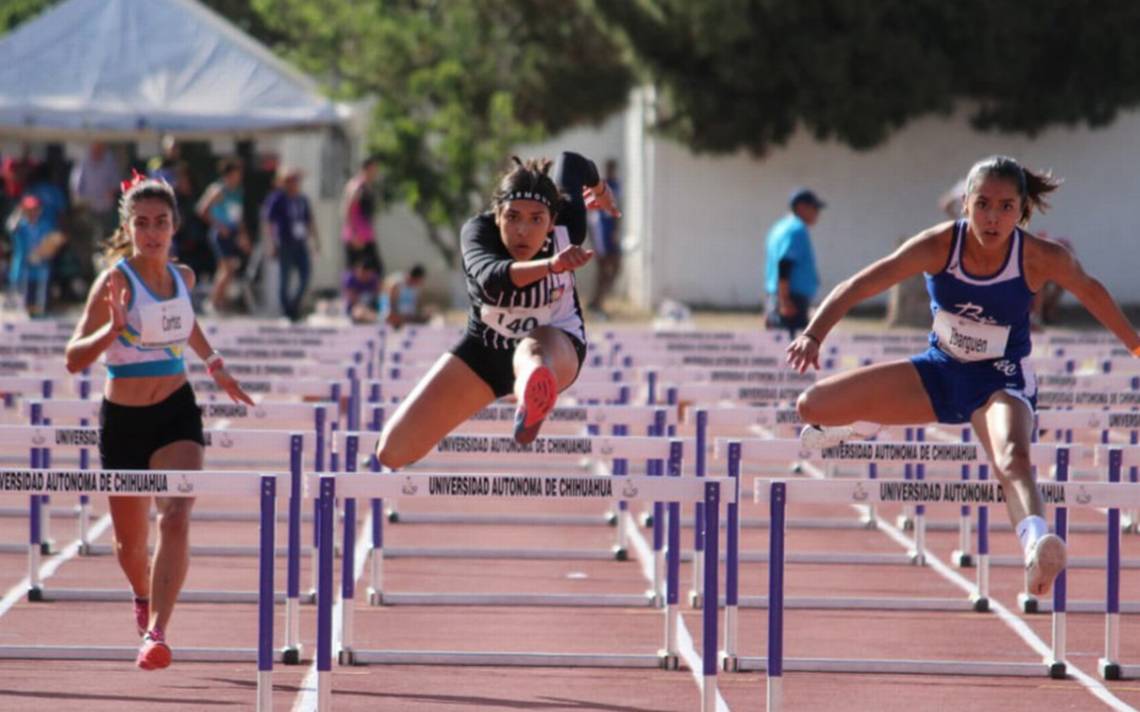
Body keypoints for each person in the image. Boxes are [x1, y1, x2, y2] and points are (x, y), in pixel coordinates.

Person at [787, 155, 1140, 599]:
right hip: (939, 371)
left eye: (1006, 207)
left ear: (1022, 209)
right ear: (964, 205)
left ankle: (1036, 545)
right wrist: (813, 334)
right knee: (811, 406)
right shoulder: (938, 246)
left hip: (1001, 380)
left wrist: (1136, 346)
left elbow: (1092, 292)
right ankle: (867, 420)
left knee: (1012, 457)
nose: (993, 218)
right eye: (983, 204)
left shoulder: (1037, 256)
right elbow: (861, 285)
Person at [64, 171, 252, 670]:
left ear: (175, 226)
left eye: (161, 223)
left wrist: (216, 366)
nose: (152, 232)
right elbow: (72, 359)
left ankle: (157, 632)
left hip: (176, 412)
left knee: (176, 515)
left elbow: (186, 323)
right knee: (130, 547)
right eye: (143, 223)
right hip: (123, 420)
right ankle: (143, 596)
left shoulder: (184, 278)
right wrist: (112, 330)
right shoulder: (114, 282)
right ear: (128, 226)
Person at [375, 152, 619, 466]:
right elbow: (493, 280)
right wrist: (551, 265)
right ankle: (529, 393)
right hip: (484, 352)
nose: (522, 230)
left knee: (530, 350)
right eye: (513, 216)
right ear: (497, 214)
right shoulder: (478, 233)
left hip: (557, 345)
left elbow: (572, 162)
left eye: (536, 220)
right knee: (392, 451)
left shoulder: (567, 227)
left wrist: (600, 191)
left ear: (551, 222)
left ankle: (530, 398)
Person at [764, 188, 824, 337]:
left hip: (778, 295)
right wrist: (785, 301)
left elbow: (772, 268)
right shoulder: (796, 229)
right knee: (793, 348)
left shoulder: (779, 227)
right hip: (791, 299)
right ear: (801, 207)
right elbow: (784, 264)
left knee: (779, 343)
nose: (817, 213)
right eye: (814, 208)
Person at [262, 167, 319, 321]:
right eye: (289, 181)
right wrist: (271, 243)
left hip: (300, 242)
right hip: (284, 242)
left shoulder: (302, 199)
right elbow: (269, 222)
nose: (293, 184)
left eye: (295, 180)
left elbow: (310, 221)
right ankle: (287, 311)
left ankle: (294, 306)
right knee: (284, 278)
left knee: (305, 275)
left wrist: (316, 241)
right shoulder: (277, 198)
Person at [196, 159, 250, 313]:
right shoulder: (219, 190)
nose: (239, 176)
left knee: (229, 270)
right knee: (227, 268)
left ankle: (220, 301)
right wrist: (219, 226)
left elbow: (238, 216)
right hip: (221, 233)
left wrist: (243, 235)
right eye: (237, 173)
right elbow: (202, 209)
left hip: (233, 233)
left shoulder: (238, 191)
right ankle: (212, 301)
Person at [8, 194, 64, 316]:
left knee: (42, 299)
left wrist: (43, 252)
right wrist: (18, 213)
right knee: (26, 300)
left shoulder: (46, 225)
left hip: (42, 268)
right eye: (28, 210)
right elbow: (12, 228)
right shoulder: (20, 225)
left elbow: (54, 241)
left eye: (34, 209)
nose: (32, 212)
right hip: (24, 269)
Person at [588, 158, 623, 317]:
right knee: (603, 268)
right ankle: (597, 302)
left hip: (611, 230)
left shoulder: (616, 185)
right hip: (601, 230)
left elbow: (617, 208)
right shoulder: (600, 186)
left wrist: (616, 229)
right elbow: (593, 212)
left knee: (615, 266)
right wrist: (595, 238)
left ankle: (598, 300)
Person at [341, 156, 383, 278]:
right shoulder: (357, 186)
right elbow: (346, 209)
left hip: (367, 235)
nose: (376, 171)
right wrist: (354, 234)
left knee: (375, 269)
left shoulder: (369, 186)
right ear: (368, 168)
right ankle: (348, 296)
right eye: (375, 168)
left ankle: (370, 296)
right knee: (353, 269)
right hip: (356, 236)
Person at [379, 264, 431, 329]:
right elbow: (391, 306)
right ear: (417, 278)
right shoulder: (397, 284)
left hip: (408, 316)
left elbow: (418, 306)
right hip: (393, 315)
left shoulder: (417, 288)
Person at [343, 256, 381, 324]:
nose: (364, 277)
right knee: (359, 313)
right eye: (361, 273)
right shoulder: (350, 279)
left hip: (370, 308)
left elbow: (377, 296)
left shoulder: (374, 279)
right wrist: (364, 310)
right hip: (354, 308)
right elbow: (352, 299)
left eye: (367, 274)